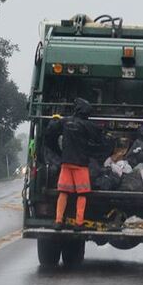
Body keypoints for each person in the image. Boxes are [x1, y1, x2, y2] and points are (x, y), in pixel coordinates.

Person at [44, 97, 105, 230]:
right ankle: (79, 223)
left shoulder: (65, 122)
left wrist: (55, 119)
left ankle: (58, 221)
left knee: (63, 193)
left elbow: (50, 131)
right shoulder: (87, 125)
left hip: (66, 164)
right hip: (80, 165)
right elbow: (100, 140)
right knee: (82, 194)